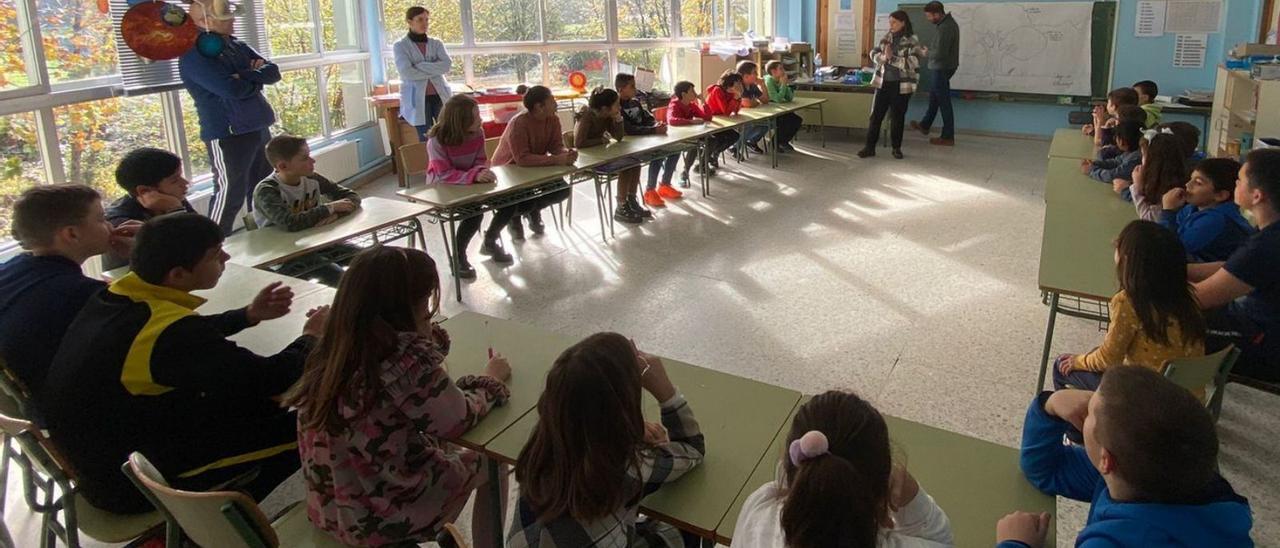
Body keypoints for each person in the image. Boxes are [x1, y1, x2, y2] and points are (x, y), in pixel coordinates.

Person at [40, 213, 328, 514]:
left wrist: (247, 315)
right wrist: (313, 337)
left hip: (101, 455)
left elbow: (184, 336)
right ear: (177, 275)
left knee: (257, 400)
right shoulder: (173, 333)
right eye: (217, 255)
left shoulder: (117, 294)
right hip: (131, 484)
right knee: (314, 424)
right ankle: (214, 518)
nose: (227, 256)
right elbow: (273, 377)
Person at [285, 247, 510, 547]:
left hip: (331, 507)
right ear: (409, 305)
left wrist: (425, 336)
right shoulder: (404, 360)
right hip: (382, 516)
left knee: (435, 445)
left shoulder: (334, 345)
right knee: (490, 461)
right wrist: (490, 380)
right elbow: (459, 419)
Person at [996, 367, 1253, 547]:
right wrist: (1050, 405)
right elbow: (1046, 470)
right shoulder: (1174, 477)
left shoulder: (1113, 542)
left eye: (1091, 410)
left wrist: (1016, 543)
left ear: (1106, 460)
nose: (1082, 405)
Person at [508, 333, 705, 547]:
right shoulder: (629, 465)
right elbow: (692, 449)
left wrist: (628, 431)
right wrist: (666, 393)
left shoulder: (541, 447)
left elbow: (584, 417)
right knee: (688, 530)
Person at [730, 390, 953, 548]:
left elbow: (787, 480)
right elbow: (940, 540)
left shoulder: (760, 510)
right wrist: (911, 495)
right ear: (881, 496)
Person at [0, 185, 137, 399]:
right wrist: (145, 257)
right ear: (71, 233)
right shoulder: (83, 295)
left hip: (30, 401)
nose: (110, 225)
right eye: (101, 219)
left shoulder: (9, 269)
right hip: (78, 409)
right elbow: (145, 327)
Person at [1052, 219, 1206, 395]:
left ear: (1126, 260)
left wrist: (1078, 361)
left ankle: (1086, 419)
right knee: (1095, 353)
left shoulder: (1129, 302)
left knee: (1061, 365)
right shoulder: (1187, 298)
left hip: (1143, 400)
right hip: (1186, 402)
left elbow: (1108, 360)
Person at [179, 0, 280, 235]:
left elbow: (273, 72)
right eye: (226, 17)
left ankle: (264, 238)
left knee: (263, 189)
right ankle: (210, 245)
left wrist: (244, 75)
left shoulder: (235, 44)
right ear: (206, 21)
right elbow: (230, 90)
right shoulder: (194, 54)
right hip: (229, 132)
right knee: (230, 193)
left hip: (257, 125)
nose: (234, 20)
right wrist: (256, 79)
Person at [1189, 149, 1280, 384]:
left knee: (1166, 318)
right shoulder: (1269, 230)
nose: (1236, 183)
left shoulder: (1266, 245)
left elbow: (1198, 298)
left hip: (1264, 344)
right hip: (1257, 322)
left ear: (1257, 196)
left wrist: (1147, 277)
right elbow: (1233, 268)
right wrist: (1179, 269)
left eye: (1240, 180)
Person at [253, 135, 363, 285]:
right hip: (285, 255)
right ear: (283, 166)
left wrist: (337, 213)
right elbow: (289, 223)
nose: (313, 161)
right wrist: (328, 208)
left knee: (368, 259)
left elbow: (351, 196)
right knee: (339, 277)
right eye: (305, 158)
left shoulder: (311, 178)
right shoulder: (266, 190)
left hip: (316, 243)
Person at [426, 94, 512, 279]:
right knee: (474, 213)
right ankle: (458, 257)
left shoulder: (478, 133)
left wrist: (482, 172)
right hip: (444, 188)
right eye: (476, 116)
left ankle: (490, 239)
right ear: (461, 120)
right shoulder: (436, 141)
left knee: (510, 200)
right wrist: (474, 175)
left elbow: (480, 160)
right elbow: (443, 174)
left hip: (472, 183)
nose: (480, 119)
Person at [491, 85, 576, 247]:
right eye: (552, 101)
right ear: (539, 106)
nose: (556, 104)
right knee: (522, 198)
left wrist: (566, 153)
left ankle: (532, 210)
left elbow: (556, 146)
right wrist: (557, 160)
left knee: (562, 190)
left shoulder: (553, 119)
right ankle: (515, 218)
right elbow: (522, 159)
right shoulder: (519, 123)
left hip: (535, 168)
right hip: (509, 171)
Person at [103, 148, 198, 270]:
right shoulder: (119, 221)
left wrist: (176, 209)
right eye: (175, 180)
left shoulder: (173, 199)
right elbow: (186, 253)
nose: (185, 183)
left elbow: (208, 240)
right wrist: (175, 210)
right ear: (144, 191)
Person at [858, 10, 926, 160]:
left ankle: (896, 148)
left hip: (901, 86)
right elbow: (873, 53)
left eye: (894, 22)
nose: (891, 25)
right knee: (876, 117)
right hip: (883, 83)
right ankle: (869, 148)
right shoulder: (887, 37)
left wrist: (891, 58)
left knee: (897, 117)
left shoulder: (912, 40)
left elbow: (912, 62)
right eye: (890, 22)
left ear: (903, 22)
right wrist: (882, 57)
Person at [576, 87, 648, 225]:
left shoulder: (607, 116)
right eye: (616, 105)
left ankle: (631, 199)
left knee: (635, 162)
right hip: (588, 161)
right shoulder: (587, 116)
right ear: (604, 108)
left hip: (602, 155)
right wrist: (601, 140)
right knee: (627, 165)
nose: (619, 107)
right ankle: (621, 206)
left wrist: (618, 118)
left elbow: (619, 137)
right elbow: (579, 143)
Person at [1161, 157, 1255, 262]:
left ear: (1220, 195)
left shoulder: (1216, 221)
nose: (1187, 185)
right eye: (1191, 179)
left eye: (1198, 183)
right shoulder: (1194, 207)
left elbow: (1168, 250)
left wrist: (1168, 212)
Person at [616, 73, 683, 209]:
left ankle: (665, 184)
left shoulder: (635, 102)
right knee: (658, 154)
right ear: (621, 89)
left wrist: (656, 125)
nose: (635, 89)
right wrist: (653, 130)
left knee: (675, 149)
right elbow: (629, 130)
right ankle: (650, 190)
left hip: (646, 139)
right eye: (632, 86)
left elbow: (647, 118)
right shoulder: (616, 106)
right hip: (631, 146)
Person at [394, 6, 454, 141]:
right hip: (417, 98)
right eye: (420, 19)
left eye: (427, 20)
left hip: (439, 95)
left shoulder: (436, 43)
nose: (424, 23)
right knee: (425, 138)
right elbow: (407, 72)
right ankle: (429, 162)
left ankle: (445, 162)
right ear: (410, 22)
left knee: (446, 134)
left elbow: (446, 65)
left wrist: (420, 66)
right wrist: (434, 69)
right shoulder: (400, 46)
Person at [913, 1, 960, 146]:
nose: (928, 19)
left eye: (929, 16)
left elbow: (940, 53)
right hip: (943, 66)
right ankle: (925, 125)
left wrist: (926, 53)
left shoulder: (945, 27)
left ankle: (948, 136)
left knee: (944, 102)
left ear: (937, 14)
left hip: (942, 68)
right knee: (934, 97)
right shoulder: (946, 24)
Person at [1124, 130, 1189, 221]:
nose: (1141, 160)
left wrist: (1137, 188)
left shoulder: (1171, 189)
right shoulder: (1163, 179)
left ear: (1154, 162)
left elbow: (1149, 219)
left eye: (1143, 155)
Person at [667, 80, 712, 188]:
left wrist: (704, 102)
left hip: (691, 134)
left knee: (712, 139)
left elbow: (707, 117)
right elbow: (672, 120)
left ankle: (702, 163)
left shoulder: (692, 105)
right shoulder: (674, 104)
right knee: (694, 145)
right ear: (683, 94)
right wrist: (691, 121)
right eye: (692, 91)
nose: (695, 93)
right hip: (677, 137)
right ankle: (685, 172)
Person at [704, 71, 745, 170]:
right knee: (719, 138)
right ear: (730, 83)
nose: (740, 85)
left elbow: (736, 110)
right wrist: (735, 97)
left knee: (735, 136)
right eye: (738, 83)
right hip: (710, 121)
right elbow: (726, 111)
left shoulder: (731, 93)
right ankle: (707, 156)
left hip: (721, 121)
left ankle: (715, 153)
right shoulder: (717, 90)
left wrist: (738, 97)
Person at [763, 60, 804, 153]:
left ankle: (783, 141)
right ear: (773, 71)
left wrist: (786, 84)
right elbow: (777, 99)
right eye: (781, 69)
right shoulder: (769, 81)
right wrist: (783, 84)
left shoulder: (780, 80)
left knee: (797, 120)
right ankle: (774, 142)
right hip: (769, 111)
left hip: (778, 109)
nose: (784, 71)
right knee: (783, 122)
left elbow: (789, 98)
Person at [736, 61, 771, 156]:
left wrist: (762, 85)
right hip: (738, 117)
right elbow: (748, 104)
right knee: (750, 125)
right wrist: (756, 102)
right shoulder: (739, 86)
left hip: (751, 114)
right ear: (746, 76)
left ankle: (751, 141)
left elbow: (765, 100)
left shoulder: (752, 86)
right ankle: (734, 146)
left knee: (769, 123)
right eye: (755, 73)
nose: (757, 75)